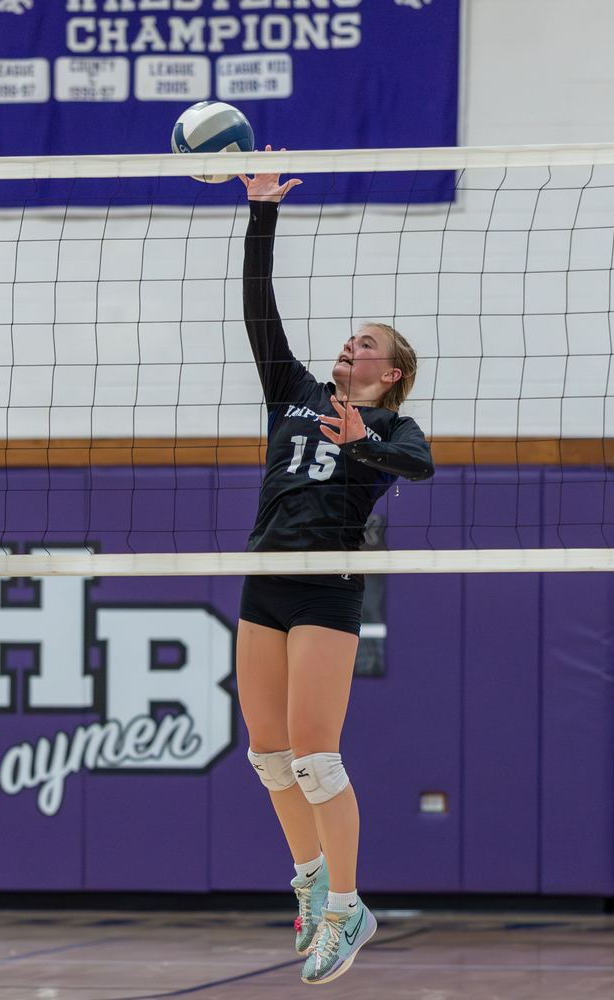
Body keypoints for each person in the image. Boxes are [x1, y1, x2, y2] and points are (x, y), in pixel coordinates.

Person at [235, 153, 434, 985]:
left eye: (370, 344)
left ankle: (350, 907)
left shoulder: (398, 427)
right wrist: (261, 214)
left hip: (328, 582)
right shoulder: (293, 392)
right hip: (264, 577)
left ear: (387, 374)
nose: (353, 342)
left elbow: (421, 469)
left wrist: (367, 442)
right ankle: (313, 880)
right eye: (353, 337)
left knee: (318, 757)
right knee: (268, 756)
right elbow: (258, 314)